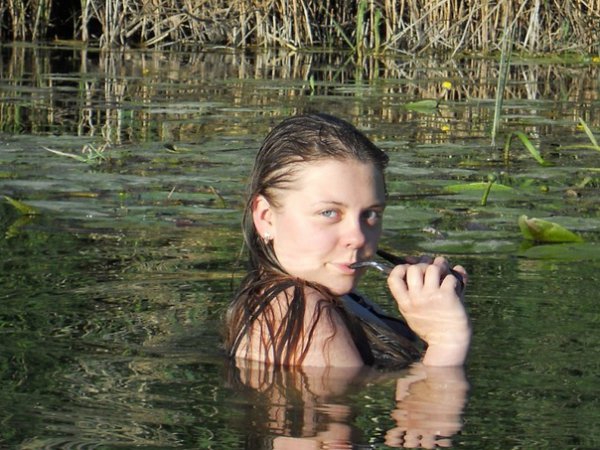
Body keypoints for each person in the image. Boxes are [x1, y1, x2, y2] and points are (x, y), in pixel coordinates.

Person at [225, 113, 470, 369]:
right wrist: (447, 339)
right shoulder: (301, 313)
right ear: (266, 218)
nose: (358, 237)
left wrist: (432, 312)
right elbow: (425, 396)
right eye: (329, 213)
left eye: (370, 214)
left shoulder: (325, 295)